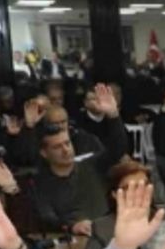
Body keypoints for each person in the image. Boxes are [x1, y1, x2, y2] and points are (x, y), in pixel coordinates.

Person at [33, 84, 129, 235]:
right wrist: (72, 226)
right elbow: (47, 217)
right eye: (57, 147)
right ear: (45, 153)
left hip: (108, 231)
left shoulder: (92, 164)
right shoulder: (42, 182)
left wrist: (113, 115)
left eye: (67, 143)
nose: (66, 150)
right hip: (74, 238)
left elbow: (118, 148)